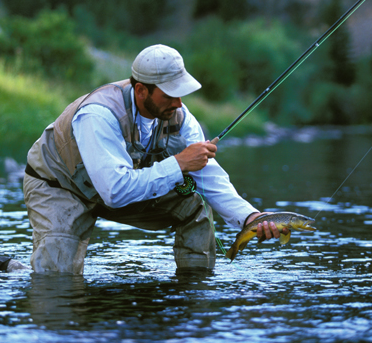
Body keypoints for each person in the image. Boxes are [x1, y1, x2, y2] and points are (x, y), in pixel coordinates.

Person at [23, 44, 284, 274]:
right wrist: (180, 163)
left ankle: (192, 293)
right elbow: (115, 191)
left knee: (195, 205)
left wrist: (250, 217)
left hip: (114, 188)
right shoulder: (99, 115)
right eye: (169, 94)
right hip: (59, 186)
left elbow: (208, 174)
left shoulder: (179, 116)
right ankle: (10, 268)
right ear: (140, 91)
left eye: (181, 93)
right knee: (55, 279)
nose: (179, 103)